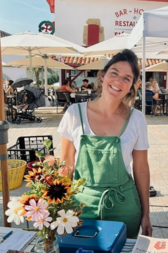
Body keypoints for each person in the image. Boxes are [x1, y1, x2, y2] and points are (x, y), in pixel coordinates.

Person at [57, 49, 152, 239]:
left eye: (127, 78)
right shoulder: (74, 114)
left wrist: (146, 214)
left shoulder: (137, 119)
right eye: (114, 73)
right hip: (80, 207)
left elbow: (141, 169)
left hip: (125, 207)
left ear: (133, 85)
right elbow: (66, 165)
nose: (118, 82)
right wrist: (59, 208)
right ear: (103, 75)